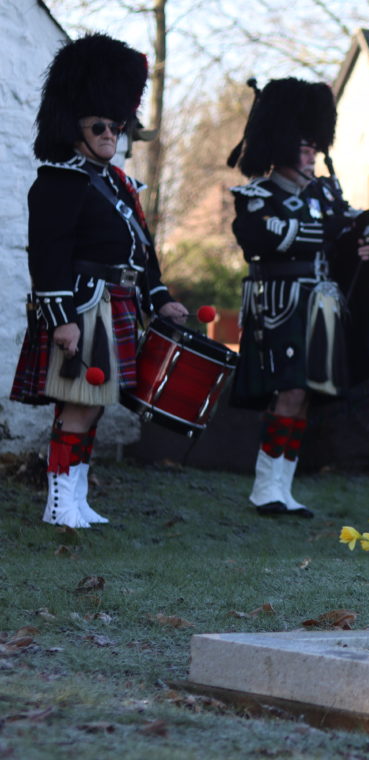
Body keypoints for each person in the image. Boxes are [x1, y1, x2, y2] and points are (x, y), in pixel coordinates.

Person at [9, 34, 189, 528]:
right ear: (74, 126)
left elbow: (141, 251)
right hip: (85, 307)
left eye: (117, 124)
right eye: (100, 125)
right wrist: (60, 320)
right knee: (78, 404)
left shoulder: (119, 183)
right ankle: (58, 504)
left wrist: (160, 298)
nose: (112, 132)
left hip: (119, 304)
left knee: (96, 405)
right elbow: (47, 255)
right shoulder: (60, 182)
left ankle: (78, 496)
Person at [226, 78, 369, 518]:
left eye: (316, 145)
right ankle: (264, 486)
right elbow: (262, 240)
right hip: (280, 305)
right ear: (281, 148)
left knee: (307, 394)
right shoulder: (258, 195)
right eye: (305, 146)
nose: (313, 153)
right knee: (289, 391)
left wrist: (361, 235)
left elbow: (341, 232)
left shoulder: (324, 194)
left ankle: (284, 485)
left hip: (321, 306)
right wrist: (334, 229)